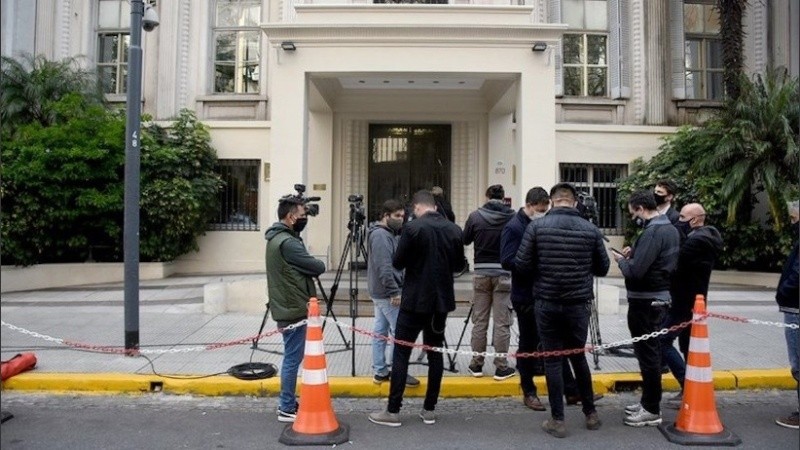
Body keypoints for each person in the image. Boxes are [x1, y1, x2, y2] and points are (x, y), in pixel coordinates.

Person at [514, 183, 610, 438]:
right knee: (578, 356)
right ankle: (590, 413)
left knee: (553, 359)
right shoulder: (590, 229)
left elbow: (521, 265)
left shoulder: (536, 227)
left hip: (547, 302)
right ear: (575, 202)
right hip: (578, 303)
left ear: (553, 201)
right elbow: (602, 268)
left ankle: (558, 419)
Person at [368, 190, 465, 427]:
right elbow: (458, 265)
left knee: (402, 352)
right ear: (435, 206)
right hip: (440, 302)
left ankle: (393, 410)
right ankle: (429, 409)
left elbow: (398, 261)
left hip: (414, 300)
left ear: (417, 207)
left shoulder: (412, 229)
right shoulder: (454, 229)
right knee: (435, 353)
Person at [613, 190, 680, 427]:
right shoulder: (669, 228)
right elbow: (653, 262)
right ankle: (648, 402)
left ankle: (651, 408)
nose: (633, 218)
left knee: (648, 356)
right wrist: (634, 254)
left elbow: (636, 272)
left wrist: (622, 261)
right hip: (656, 298)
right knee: (650, 354)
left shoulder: (653, 231)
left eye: (633, 214)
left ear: (641, 208)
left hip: (646, 302)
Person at [264, 195, 326, 423]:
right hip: (293, 308)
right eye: (302, 215)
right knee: (292, 359)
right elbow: (317, 266)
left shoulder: (276, 238)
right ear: (291, 217)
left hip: (287, 305)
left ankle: (288, 403)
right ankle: (287, 407)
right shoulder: (289, 243)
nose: (304, 219)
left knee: (291, 357)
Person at [661, 203, 722, 407]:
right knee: (688, 345)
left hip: (684, 302)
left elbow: (675, 266)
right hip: (693, 301)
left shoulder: (696, 242)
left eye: (682, 218)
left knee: (662, 341)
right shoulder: (704, 237)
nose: (679, 221)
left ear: (695, 220)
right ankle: (691, 388)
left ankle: (687, 386)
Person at [500, 186, 550, 410]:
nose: (543, 214)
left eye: (545, 210)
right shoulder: (514, 227)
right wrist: (534, 262)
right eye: (540, 210)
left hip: (543, 291)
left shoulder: (539, 224)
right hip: (525, 294)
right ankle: (528, 390)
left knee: (552, 342)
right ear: (529, 205)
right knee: (528, 342)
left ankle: (570, 389)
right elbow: (507, 260)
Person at [463, 184, 516, 380]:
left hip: (481, 274)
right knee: (502, 323)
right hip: (504, 273)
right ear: (503, 198)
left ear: (487, 197)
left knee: (480, 321)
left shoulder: (475, 217)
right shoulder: (513, 217)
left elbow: (465, 239)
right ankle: (501, 367)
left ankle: (476, 364)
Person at [367, 199, 420, 387]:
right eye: (397, 216)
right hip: (387, 293)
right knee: (401, 333)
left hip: (381, 292)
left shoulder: (385, 234)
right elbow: (384, 267)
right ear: (385, 215)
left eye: (403, 216)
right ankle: (398, 372)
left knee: (380, 332)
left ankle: (380, 371)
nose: (401, 219)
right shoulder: (381, 236)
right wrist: (393, 292)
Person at [775, 201, 799, 430]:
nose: (792, 223)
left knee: (798, 361)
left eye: (794, 219)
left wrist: (784, 292)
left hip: (796, 308)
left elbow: (797, 273)